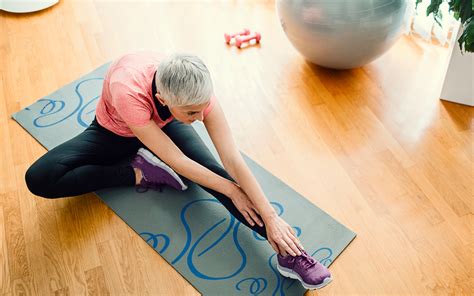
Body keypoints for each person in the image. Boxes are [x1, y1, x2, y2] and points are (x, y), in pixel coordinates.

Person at [25, 51, 332, 289]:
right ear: (162, 99)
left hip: (165, 125)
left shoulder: (193, 90)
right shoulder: (128, 90)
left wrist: (270, 216)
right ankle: (141, 173)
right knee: (39, 178)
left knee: (215, 173)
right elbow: (180, 162)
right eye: (192, 113)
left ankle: (290, 253)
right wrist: (230, 189)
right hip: (114, 134)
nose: (200, 118)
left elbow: (232, 159)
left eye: (203, 108)